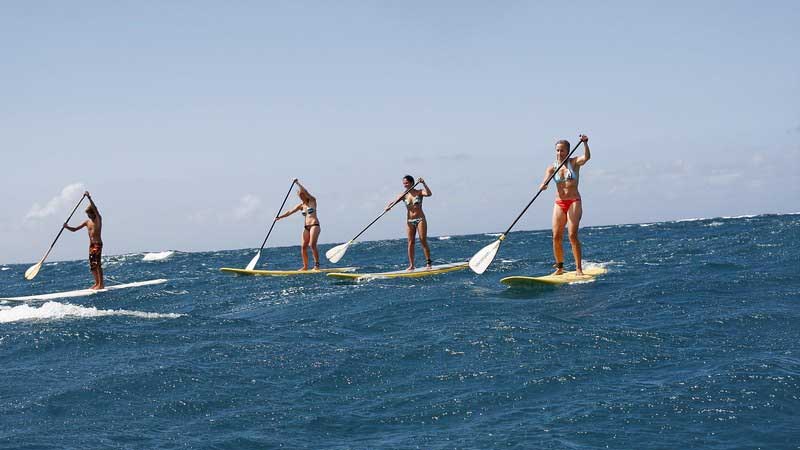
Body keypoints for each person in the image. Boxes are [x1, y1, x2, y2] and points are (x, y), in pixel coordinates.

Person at [539, 134, 591, 276]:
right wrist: (543, 185)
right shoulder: (552, 168)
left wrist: (585, 144)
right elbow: (544, 182)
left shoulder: (574, 163)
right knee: (556, 236)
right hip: (559, 203)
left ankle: (578, 268)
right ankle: (560, 268)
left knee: (572, 235)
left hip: (574, 201)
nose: (559, 153)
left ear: (568, 151)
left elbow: (586, 158)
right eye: (557, 150)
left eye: (562, 150)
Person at [387, 175, 432, 270]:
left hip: (420, 219)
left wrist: (423, 183)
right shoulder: (404, 195)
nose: (405, 185)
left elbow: (429, 194)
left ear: (412, 182)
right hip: (409, 221)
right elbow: (394, 202)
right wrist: (388, 207)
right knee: (410, 242)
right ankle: (412, 265)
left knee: (422, 239)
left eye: (406, 183)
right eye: (404, 183)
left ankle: (428, 263)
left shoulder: (419, 192)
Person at [276, 179, 321, 270]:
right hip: (306, 227)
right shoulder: (301, 206)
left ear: (305, 194)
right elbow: (290, 212)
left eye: (302, 195)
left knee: (312, 244)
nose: (301, 196)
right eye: (300, 195)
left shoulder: (312, 200)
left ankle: (316, 265)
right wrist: (280, 217)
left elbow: (306, 191)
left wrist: (297, 183)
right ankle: (305, 266)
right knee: (303, 247)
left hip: (314, 225)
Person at [63, 191, 104, 289]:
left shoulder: (98, 219)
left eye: (90, 214)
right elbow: (75, 230)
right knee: (92, 265)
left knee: (97, 263)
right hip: (91, 246)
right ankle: (96, 283)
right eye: (88, 215)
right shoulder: (87, 222)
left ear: (93, 213)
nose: (89, 216)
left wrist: (89, 198)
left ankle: (101, 284)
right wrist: (66, 227)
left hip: (97, 244)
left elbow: (95, 209)